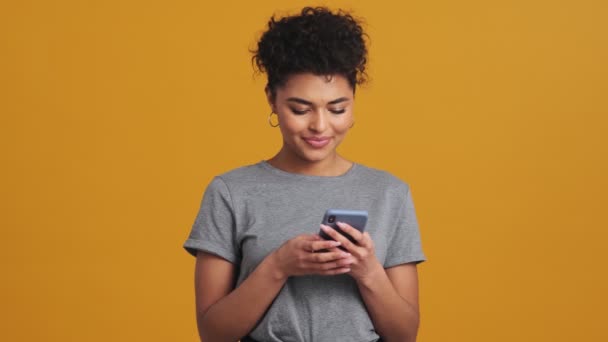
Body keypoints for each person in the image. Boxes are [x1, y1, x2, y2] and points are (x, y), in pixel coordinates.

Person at [183, 6, 426, 342]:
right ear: (271, 99)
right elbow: (213, 333)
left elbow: (404, 335)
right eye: (300, 109)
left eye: (337, 108)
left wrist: (367, 270)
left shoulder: (389, 193)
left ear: (354, 102)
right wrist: (278, 266)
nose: (320, 126)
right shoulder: (230, 192)